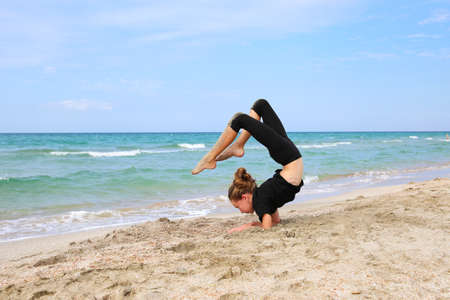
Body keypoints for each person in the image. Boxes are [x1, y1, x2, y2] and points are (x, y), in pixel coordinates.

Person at [192, 99, 304, 233]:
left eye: (238, 207)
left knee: (241, 118)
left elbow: (267, 225)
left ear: (245, 197)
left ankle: (210, 158)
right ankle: (238, 146)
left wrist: (249, 226)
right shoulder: (264, 199)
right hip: (288, 157)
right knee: (260, 105)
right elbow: (274, 221)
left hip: (288, 157)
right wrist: (252, 225)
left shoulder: (259, 202)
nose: (240, 212)